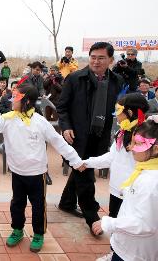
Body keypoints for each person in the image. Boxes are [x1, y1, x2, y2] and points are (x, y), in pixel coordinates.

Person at [0, 84, 84, 252]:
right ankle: (17, 230)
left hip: (37, 174)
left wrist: (76, 161)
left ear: (26, 101)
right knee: (17, 204)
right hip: (17, 172)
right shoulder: (8, 119)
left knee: (38, 205)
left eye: (16, 98)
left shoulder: (40, 122)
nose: (12, 101)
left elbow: (58, 142)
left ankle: (39, 234)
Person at [57, 42, 124, 232]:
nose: (96, 61)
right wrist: (66, 127)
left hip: (100, 135)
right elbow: (62, 107)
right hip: (77, 136)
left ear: (110, 60)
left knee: (83, 168)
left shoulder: (116, 81)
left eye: (101, 58)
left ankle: (67, 203)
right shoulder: (74, 78)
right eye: (93, 57)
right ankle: (92, 216)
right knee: (84, 173)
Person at [84, 93, 149, 261]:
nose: (116, 115)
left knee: (128, 227)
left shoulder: (143, 138)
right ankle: (114, 253)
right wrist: (87, 163)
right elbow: (111, 157)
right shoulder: (122, 132)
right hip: (116, 189)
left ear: (130, 112)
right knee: (116, 222)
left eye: (119, 111)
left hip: (132, 192)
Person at [91, 118, 158, 261]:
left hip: (135, 253)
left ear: (156, 148)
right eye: (132, 142)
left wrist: (109, 223)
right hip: (128, 247)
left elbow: (145, 224)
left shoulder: (151, 181)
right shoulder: (144, 170)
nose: (131, 147)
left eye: (138, 144)